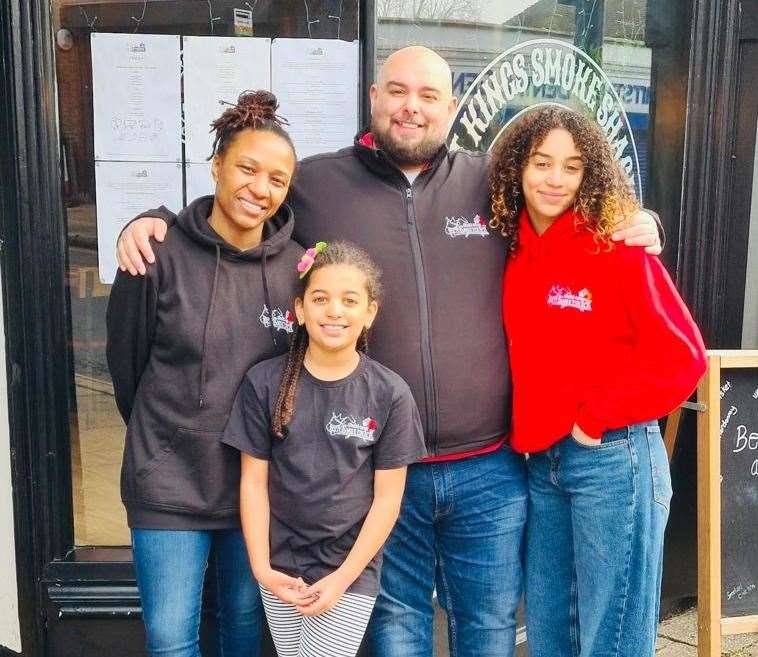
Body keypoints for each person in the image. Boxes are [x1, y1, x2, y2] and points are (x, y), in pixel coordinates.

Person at [114, 47, 663, 657]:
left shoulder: (492, 181)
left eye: (429, 96)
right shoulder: (318, 182)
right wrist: (150, 219)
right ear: (372, 96)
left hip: (490, 468)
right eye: (397, 91)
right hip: (378, 468)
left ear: (451, 108)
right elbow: (242, 201)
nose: (411, 108)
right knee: (398, 637)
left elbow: (567, 207)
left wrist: (638, 221)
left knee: (488, 631)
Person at [489, 105, 707, 657]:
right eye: (542, 163)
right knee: (550, 634)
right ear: (518, 166)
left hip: (612, 460)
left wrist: (596, 416)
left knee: (611, 637)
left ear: (591, 175)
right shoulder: (510, 248)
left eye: (572, 166)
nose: (555, 179)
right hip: (542, 464)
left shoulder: (613, 247)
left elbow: (684, 356)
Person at [105, 90, 303, 657]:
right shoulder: (155, 257)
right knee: (171, 642)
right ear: (216, 164)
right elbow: (128, 369)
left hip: (257, 490)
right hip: (169, 485)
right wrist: (167, 439)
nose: (259, 189)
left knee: (242, 631)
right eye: (246, 168)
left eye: (277, 179)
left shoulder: (299, 268)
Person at [222, 241, 426, 657]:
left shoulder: (390, 393)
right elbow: (254, 483)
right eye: (320, 298)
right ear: (299, 309)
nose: (335, 311)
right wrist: (263, 568)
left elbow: (388, 500)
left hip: (347, 569)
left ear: (369, 313)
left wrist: (343, 578)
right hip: (280, 565)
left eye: (350, 300)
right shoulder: (264, 383)